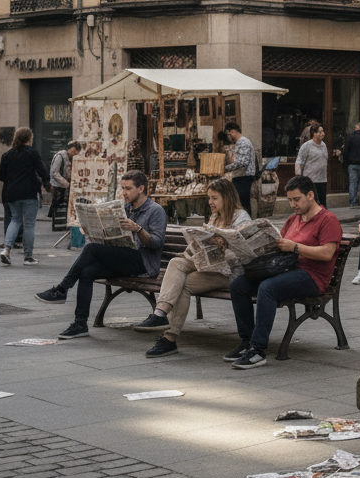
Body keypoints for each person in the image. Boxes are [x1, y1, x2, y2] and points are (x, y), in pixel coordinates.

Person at [34, 171, 168, 340]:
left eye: (128, 189)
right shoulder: (125, 208)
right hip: (123, 258)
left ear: (141, 188)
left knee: (92, 250)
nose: (124, 193)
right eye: (123, 188)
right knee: (87, 272)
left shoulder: (155, 211)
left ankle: (62, 289)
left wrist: (138, 229)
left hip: (143, 263)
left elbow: (157, 243)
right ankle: (80, 324)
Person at [227, 175, 342, 369]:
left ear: (311, 195)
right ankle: (246, 341)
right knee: (239, 285)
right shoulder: (293, 219)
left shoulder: (327, 219)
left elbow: (327, 253)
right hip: (286, 268)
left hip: (312, 277)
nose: (293, 204)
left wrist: (295, 247)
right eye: (289, 200)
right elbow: (281, 245)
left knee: (268, 288)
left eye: (296, 199)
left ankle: (258, 350)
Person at [135, 178, 250, 357]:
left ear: (226, 198)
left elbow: (244, 253)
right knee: (176, 264)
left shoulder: (241, 217)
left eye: (214, 198)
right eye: (209, 198)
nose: (210, 202)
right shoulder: (215, 216)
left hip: (228, 272)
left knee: (183, 283)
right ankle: (160, 315)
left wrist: (224, 245)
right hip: (209, 267)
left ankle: (168, 337)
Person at [0, 127, 51, 266]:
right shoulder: (32, 153)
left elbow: (1, 176)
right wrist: (47, 184)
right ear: (29, 138)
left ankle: (6, 249)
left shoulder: (7, 155)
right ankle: (28, 257)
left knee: (14, 220)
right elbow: (42, 171)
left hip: (12, 193)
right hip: (29, 193)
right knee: (29, 224)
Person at [223, 122, 257, 215]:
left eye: (228, 134)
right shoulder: (240, 142)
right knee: (242, 203)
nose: (228, 137)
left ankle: (246, 224)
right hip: (241, 177)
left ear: (233, 132)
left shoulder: (242, 142)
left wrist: (226, 168)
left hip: (243, 177)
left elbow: (243, 162)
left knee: (243, 204)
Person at [294, 124, 329, 208]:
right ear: (314, 133)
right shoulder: (307, 146)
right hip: (310, 180)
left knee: (322, 204)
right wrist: (299, 176)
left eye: (323, 131)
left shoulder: (324, 145)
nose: (323, 134)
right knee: (312, 204)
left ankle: (323, 220)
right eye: (320, 132)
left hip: (322, 179)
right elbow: (299, 161)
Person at [49, 140, 79, 231]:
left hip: (66, 185)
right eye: (73, 151)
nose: (73, 154)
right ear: (68, 149)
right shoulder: (60, 156)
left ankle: (65, 224)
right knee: (57, 204)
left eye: (75, 153)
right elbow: (55, 173)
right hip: (58, 185)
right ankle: (57, 224)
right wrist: (67, 183)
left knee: (65, 205)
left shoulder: (72, 158)